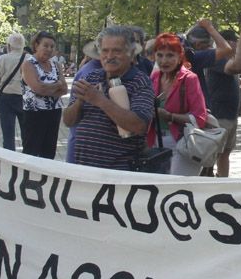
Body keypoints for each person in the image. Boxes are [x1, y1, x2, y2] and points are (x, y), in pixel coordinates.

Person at [63, 26, 154, 170]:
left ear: (131, 54)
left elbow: (139, 126)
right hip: (83, 169)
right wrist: (80, 100)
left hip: (118, 174)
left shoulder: (140, 81)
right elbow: (68, 121)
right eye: (105, 50)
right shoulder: (91, 76)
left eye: (116, 51)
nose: (109, 56)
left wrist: (99, 100)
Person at [185, 20, 239, 177]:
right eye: (204, 44)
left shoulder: (197, 58)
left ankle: (220, 183)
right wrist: (210, 28)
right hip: (213, 114)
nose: (208, 47)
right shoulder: (194, 58)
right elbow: (227, 51)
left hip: (222, 113)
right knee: (207, 157)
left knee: (220, 155)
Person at [150, 32, 209, 175]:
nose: (164, 60)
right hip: (155, 143)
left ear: (179, 57)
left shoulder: (189, 79)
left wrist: (170, 116)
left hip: (183, 143)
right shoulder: (154, 76)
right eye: (160, 55)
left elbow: (200, 118)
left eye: (170, 55)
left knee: (178, 190)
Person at [20, 31, 68, 159]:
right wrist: (56, 85)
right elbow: (37, 88)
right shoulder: (29, 64)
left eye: (52, 47)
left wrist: (49, 87)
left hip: (54, 111)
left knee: (49, 151)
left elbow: (64, 89)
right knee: (31, 151)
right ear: (36, 45)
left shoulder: (56, 65)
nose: (49, 49)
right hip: (34, 113)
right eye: (45, 45)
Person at [0, 32, 27, 151]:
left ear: (9, 45)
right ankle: (28, 159)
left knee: (8, 133)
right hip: (25, 98)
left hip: (7, 98)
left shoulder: (4, 58)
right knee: (26, 132)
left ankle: (10, 159)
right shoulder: (29, 58)